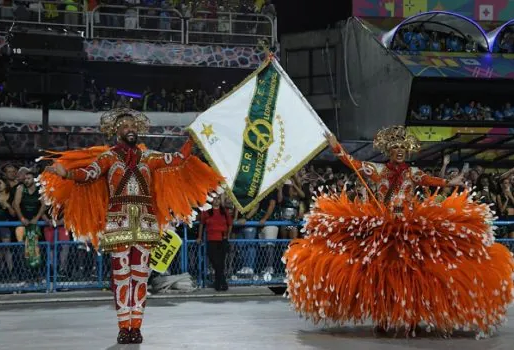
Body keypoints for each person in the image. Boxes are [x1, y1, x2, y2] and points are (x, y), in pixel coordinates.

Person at [283, 125, 514, 338]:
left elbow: (433, 181)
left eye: (403, 148)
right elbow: (351, 162)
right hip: (383, 229)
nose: (400, 151)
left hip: (409, 231)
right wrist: (336, 146)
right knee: (380, 276)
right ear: (388, 151)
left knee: (413, 276)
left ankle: (411, 318)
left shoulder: (413, 173)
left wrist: (451, 182)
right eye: (395, 148)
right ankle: (382, 318)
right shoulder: (378, 170)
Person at [41, 108, 223, 344]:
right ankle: (123, 326)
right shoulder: (108, 157)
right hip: (119, 222)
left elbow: (177, 159)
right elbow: (88, 174)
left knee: (140, 276)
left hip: (146, 222)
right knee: (121, 275)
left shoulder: (149, 157)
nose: (130, 129)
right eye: (125, 125)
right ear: (116, 131)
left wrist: (192, 138)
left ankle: (135, 326)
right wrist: (65, 173)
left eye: (132, 125)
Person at [197, 195, 232, 291]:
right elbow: (201, 225)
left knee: (220, 263)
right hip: (211, 239)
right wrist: (199, 237)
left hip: (222, 239)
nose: (216, 201)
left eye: (218, 199)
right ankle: (222, 282)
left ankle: (218, 284)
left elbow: (230, 225)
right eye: (215, 199)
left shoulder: (225, 212)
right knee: (215, 262)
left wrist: (227, 236)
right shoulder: (207, 212)